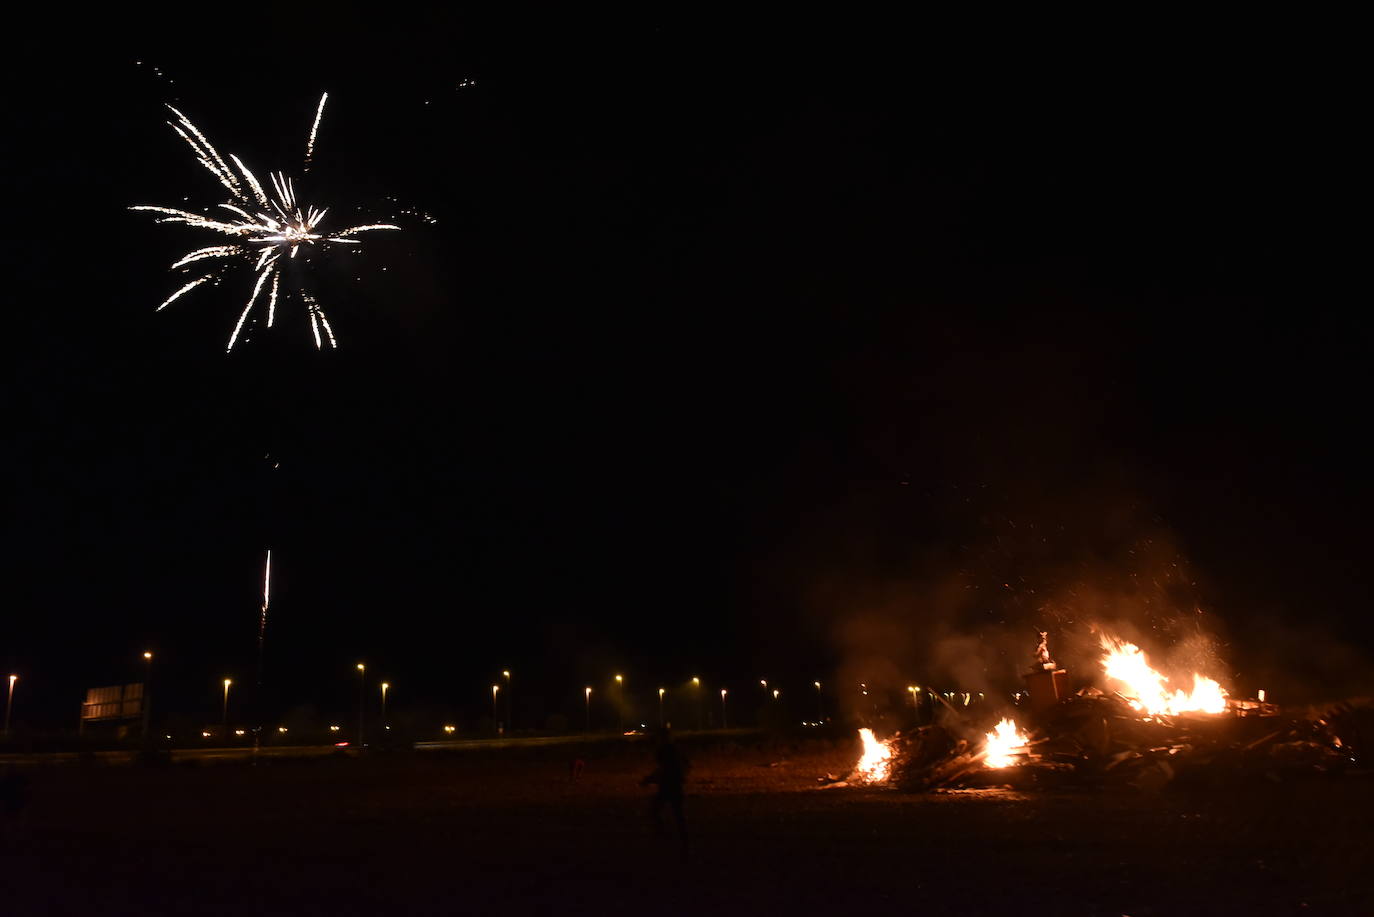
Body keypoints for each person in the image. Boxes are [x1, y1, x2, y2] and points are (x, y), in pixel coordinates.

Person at [642, 727, 688, 855]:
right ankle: (685, 844)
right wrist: (682, 776)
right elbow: (686, 764)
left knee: (654, 811)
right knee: (679, 816)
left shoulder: (663, 751)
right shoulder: (676, 748)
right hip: (676, 786)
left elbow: (662, 769)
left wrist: (648, 780)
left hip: (667, 786)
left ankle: (664, 836)